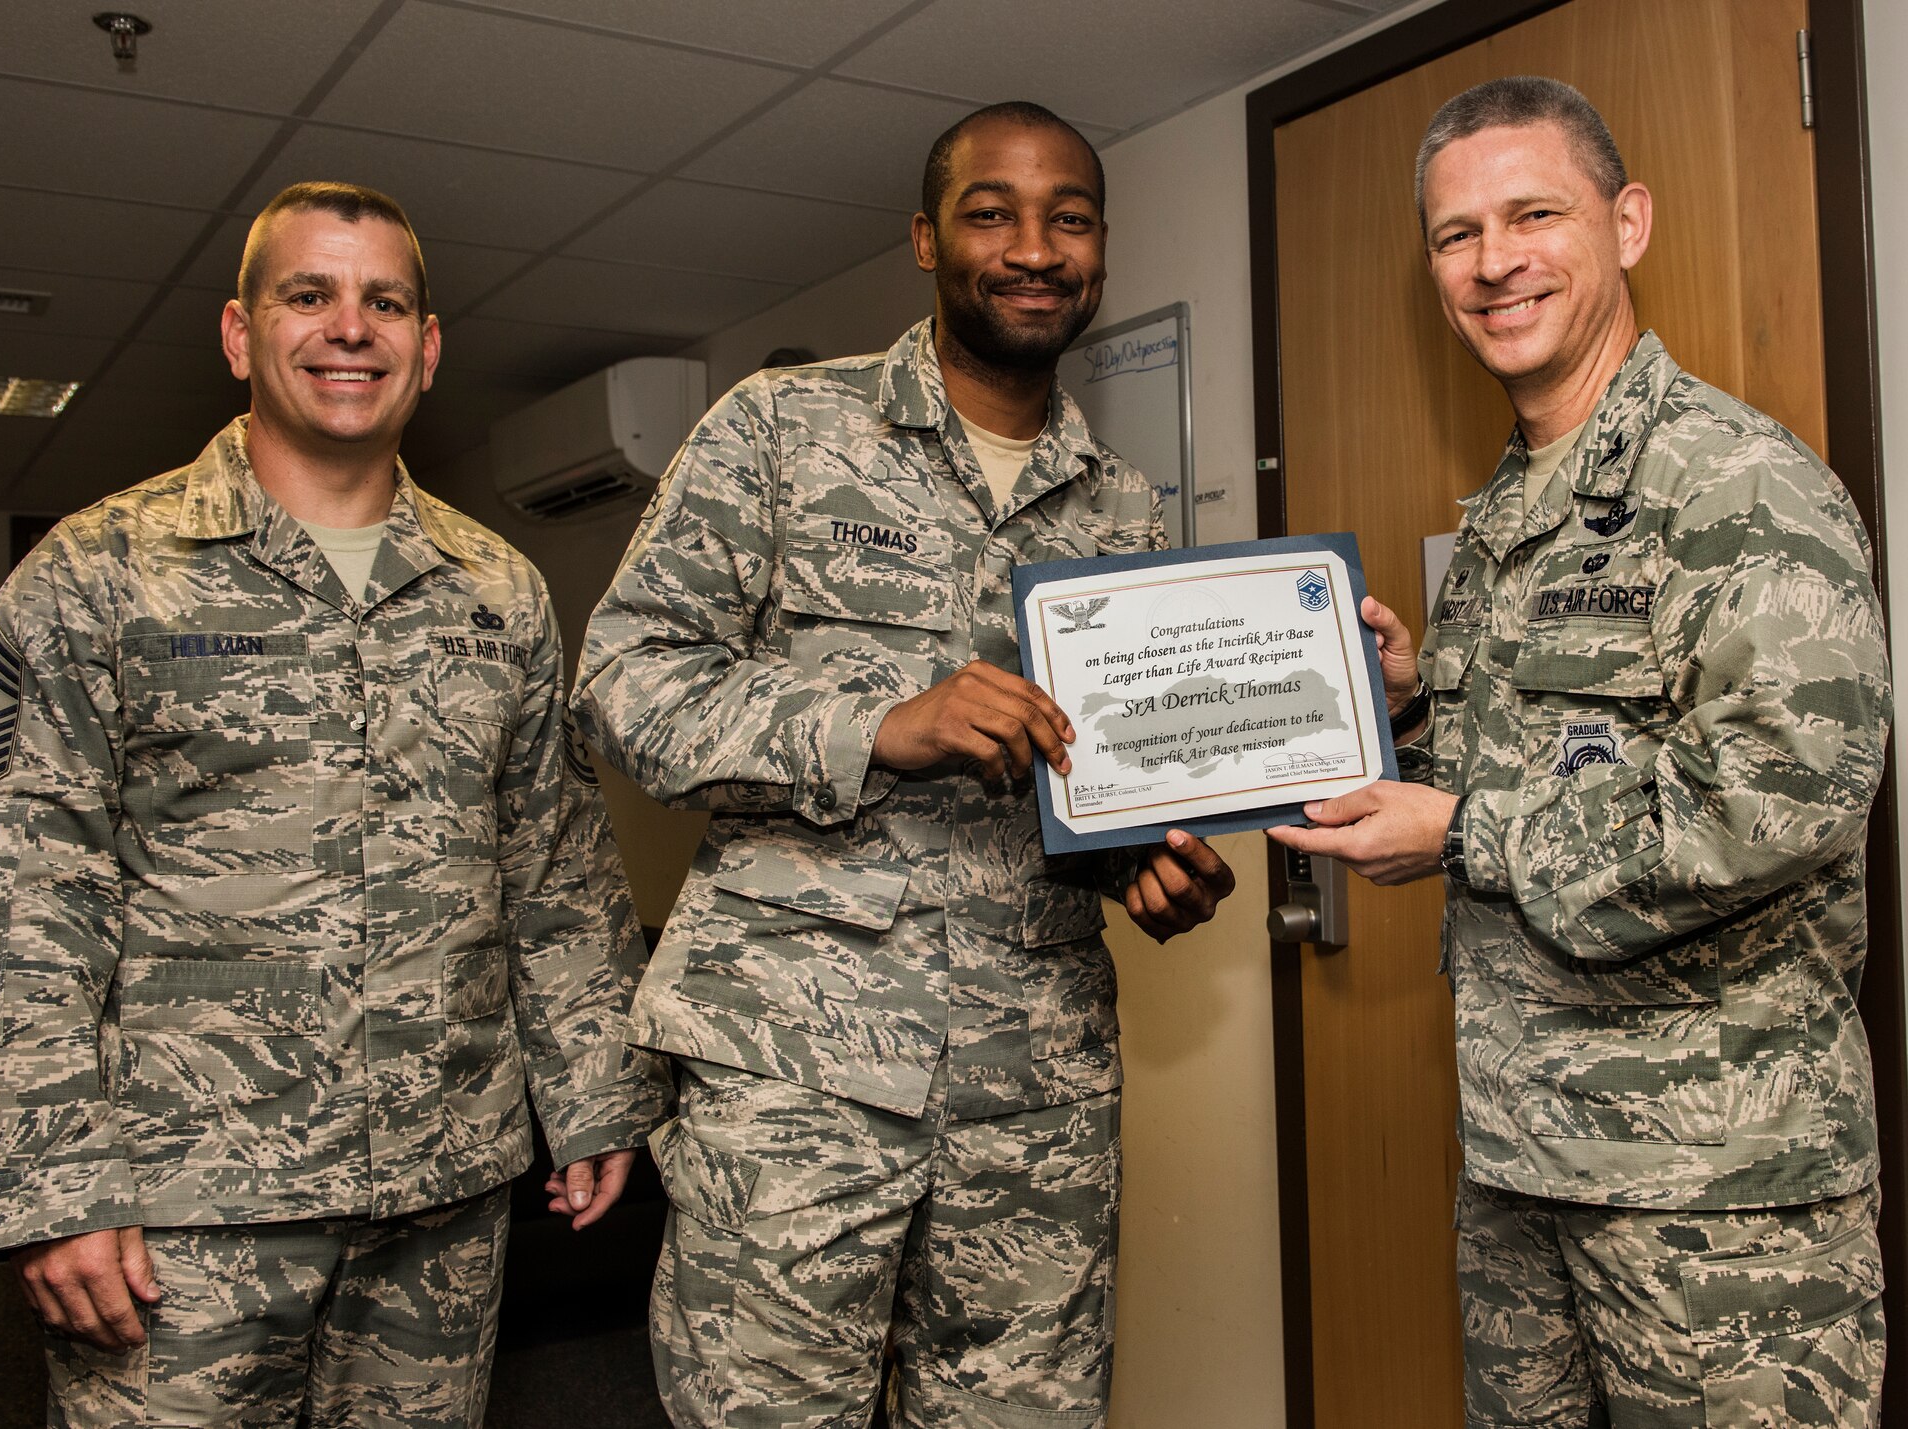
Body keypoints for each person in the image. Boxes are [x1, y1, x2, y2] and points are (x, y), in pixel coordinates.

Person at [0, 182, 668, 1428]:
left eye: (385, 301)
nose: (349, 327)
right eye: (308, 294)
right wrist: (48, 1184)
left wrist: (592, 1091)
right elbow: (11, 888)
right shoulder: (99, 572)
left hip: (442, 1195)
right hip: (182, 1209)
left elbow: (554, 866)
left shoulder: (498, 590)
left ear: (426, 349)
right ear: (238, 335)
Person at [576, 101, 1235, 1428]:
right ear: (929, 239)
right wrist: (875, 723)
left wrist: (1147, 861)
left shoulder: (1123, 504)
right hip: (796, 1079)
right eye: (993, 211)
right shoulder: (779, 433)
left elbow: (1098, 779)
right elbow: (623, 687)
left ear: (1101, 248)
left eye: (1070, 217)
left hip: (1033, 1092)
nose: (1034, 246)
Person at [1272, 78, 1891, 1424]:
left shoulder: (1738, 486)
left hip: (1718, 1207)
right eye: (1454, 234)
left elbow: (1782, 799)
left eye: (1533, 214)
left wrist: (1457, 831)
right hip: (1518, 1165)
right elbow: (1561, 760)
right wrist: (1421, 707)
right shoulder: (1507, 514)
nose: (1493, 262)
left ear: (1628, 224)